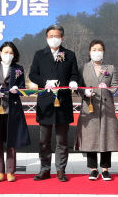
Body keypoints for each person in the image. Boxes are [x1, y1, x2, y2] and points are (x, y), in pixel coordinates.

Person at [28, 24, 80, 182]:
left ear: (62, 37)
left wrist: (73, 81)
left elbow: (74, 74)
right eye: (51, 36)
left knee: (62, 140)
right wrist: (45, 82)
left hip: (63, 102)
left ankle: (60, 170)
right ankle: (44, 169)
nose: (54, 39)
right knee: (44, 140)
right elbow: (32, 75)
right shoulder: (39, 54)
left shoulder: (69, 55)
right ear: (46, 37)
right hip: (46, 104)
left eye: (57, 36)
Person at [0, 42, 30, 182]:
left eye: (11, 52)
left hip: (12, 107)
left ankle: (10, 171)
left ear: (14, 55)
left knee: (11, 140)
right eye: (5, 52)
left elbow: (22, 87)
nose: (8, 55)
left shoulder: (18, 68)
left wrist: (17, 89)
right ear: (0, 53)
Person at [75, 40, 118, 181]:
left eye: (99, 49)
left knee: (107, 137)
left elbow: (115, 87)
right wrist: (85, 93)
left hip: (106, 108)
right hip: (89, 107)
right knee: (91, 138)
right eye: (94, 49)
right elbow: (78, 88)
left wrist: (109, 88)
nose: (97, 52)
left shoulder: (111, 68)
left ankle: (105, 169)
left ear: (103, 52)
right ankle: (93, 169)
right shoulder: (83, 68)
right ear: (90, 52)